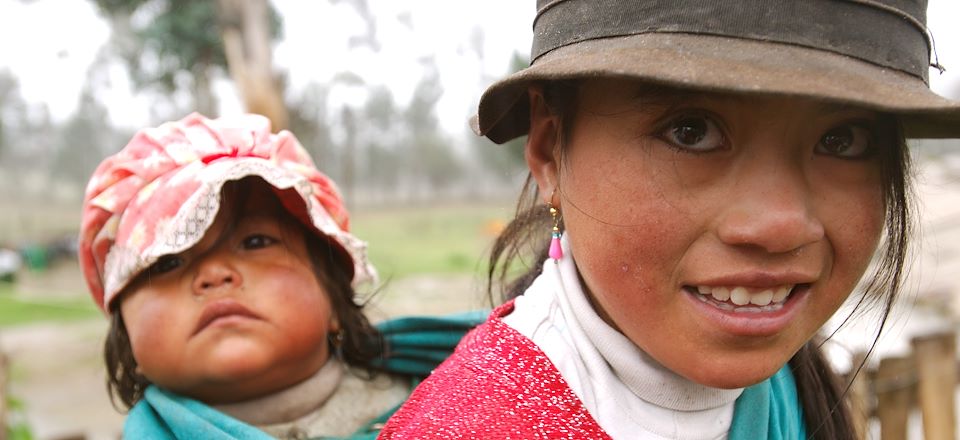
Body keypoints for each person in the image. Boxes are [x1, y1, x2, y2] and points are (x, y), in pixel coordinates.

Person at [380, 0, 960, 439]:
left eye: (843, 138)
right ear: (550, 149)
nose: (780, 226)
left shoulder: (785, 385)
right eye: (692, 131)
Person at [79, 113, 411, 439]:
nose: (213, 274)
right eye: (166, 262)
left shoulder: (437, 399)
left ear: (335, 300)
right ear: (127, 341)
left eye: (254, 242)